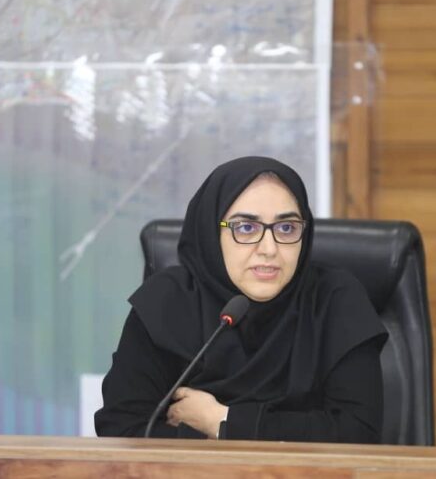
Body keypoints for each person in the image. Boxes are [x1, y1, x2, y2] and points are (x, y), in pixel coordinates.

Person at [95, 156, 387, 442]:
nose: (269, 249)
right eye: (246, 228)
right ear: (212, 232)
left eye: (287, 228)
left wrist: (222, 421)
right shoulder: (167, 302)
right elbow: (121, 428)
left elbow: (358, 431)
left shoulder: (335, 300)